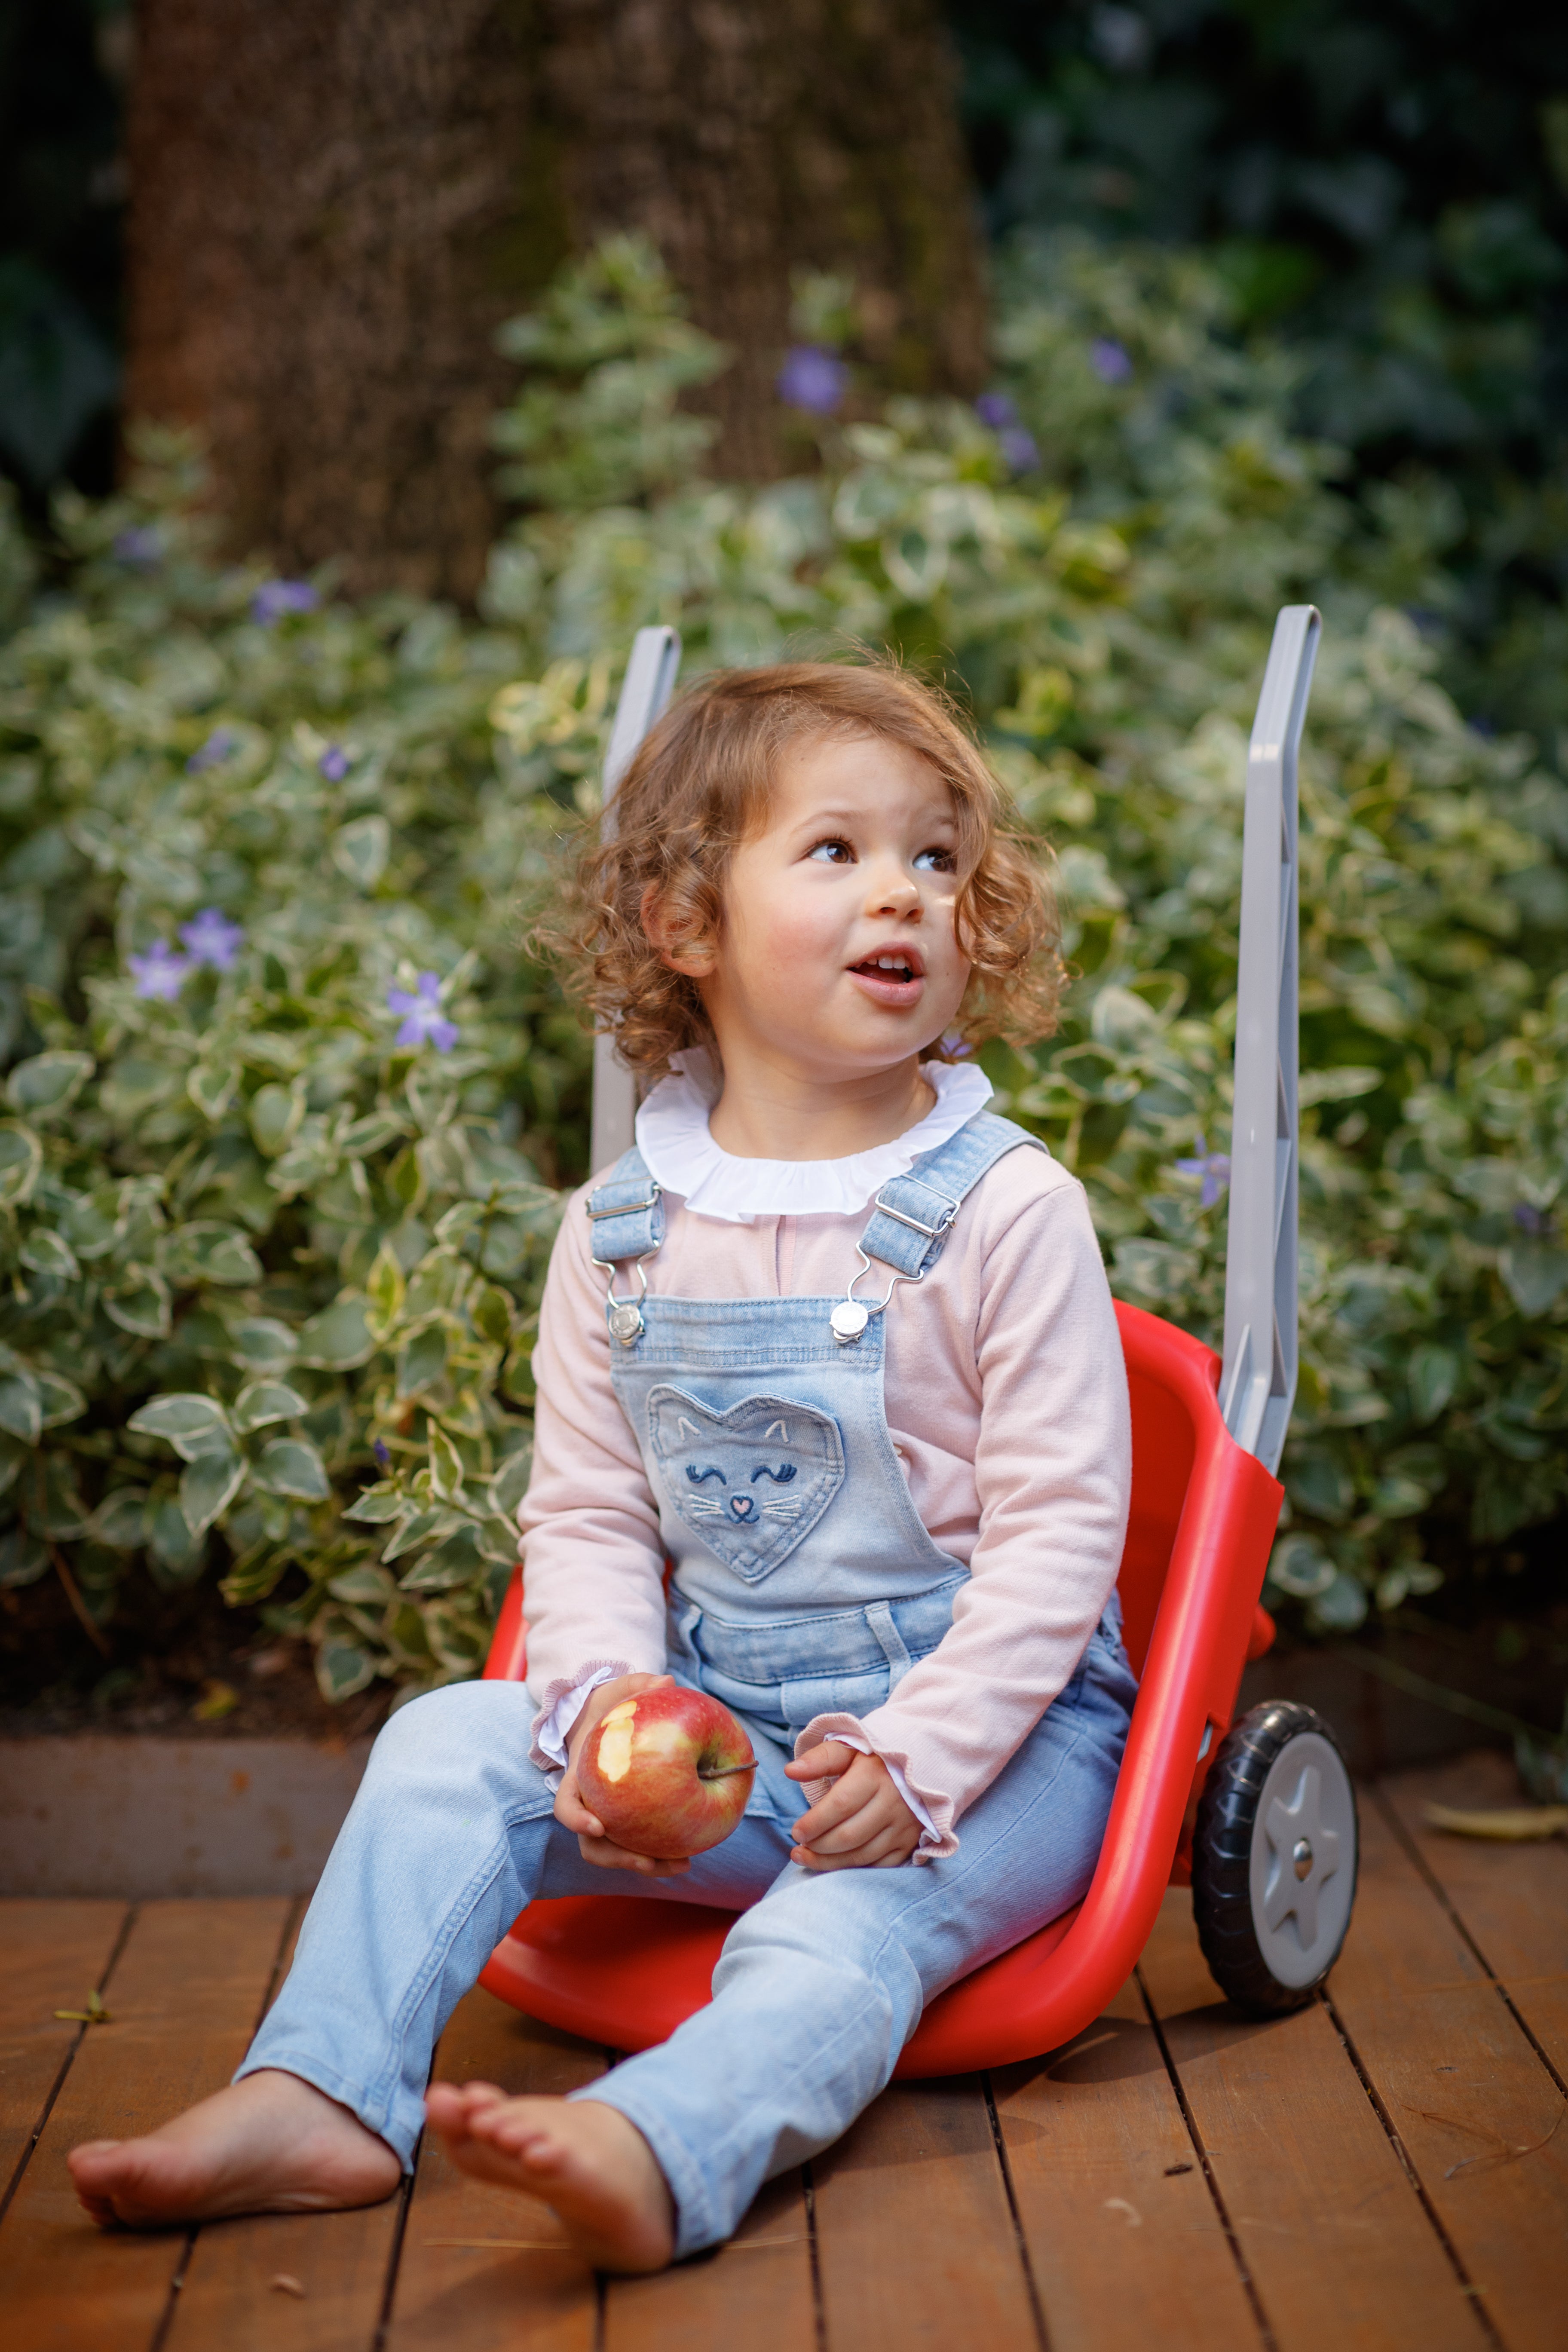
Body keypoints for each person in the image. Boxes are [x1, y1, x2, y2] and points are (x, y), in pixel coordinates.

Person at [69, 660, 1135, 2271]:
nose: (905, 893)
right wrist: (601, 1718)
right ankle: (324, 2098)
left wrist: (920, 1757)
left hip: (986, 1746)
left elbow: (1064, 1536)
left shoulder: (1004, 1209)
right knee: (446, 1743)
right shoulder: (623, 1229)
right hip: (729, 1727)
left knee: (842, 1924)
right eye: (835, 852)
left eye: (939, 856)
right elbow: (586, 1511)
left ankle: (663, 2144)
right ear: (683, 921)